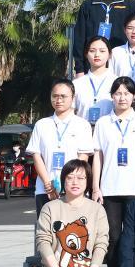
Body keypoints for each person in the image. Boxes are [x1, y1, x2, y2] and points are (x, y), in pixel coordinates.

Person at [93, 76, 135, 267]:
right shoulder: (102, 123)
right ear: (112, 96)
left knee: (134, 235)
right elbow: (98, 156)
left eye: (127, 93)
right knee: (113, 237)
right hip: (109, 189)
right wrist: (96, 187)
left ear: (134, 96)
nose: (122, 97)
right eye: (118, 93)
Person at [27, 80, 95, 213]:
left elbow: (82, 159)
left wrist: (69, 182)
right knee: (46, 225)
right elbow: (36, 156)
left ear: (73, 98)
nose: (58, 100)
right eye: (55, 96)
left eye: (63, 96)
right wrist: (47, 184)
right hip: (45, 189)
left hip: (74, 189)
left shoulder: (82, 125)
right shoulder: (41, 125)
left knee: (74, 226)